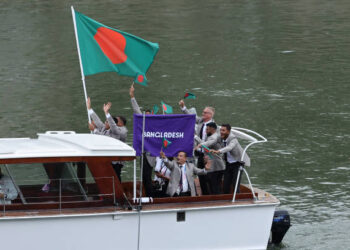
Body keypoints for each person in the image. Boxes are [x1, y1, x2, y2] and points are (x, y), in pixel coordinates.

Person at [179, 99, 215, 195]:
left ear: (210, 115)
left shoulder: (214, 127)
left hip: (208, 155)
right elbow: (191, 116)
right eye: (203, 112)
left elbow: (209, 143)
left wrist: (195, 137)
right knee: (201, 176)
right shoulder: (201, 121)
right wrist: (183, 107)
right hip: (199, 154)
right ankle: (204, 196)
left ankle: (212, 197)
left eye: (205, 112)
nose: (202, 113)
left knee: (209, 177)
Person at [87, 97, 128, 181]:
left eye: (106, 122)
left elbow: (104, 138)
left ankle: (117, 193)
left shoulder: (117, 132)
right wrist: (89, 108)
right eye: (105, 121)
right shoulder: (105, 128)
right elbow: (98, 121)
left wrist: (107, 113)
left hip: (116, 161)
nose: (104, 123)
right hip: (107, 159)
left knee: (115, 178)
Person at [129, 83, 155, 197]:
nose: (147, 117)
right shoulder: (144, 123)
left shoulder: (156, 124)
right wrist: (132, 96)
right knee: (144, 177)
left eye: (149, 115)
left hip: (152, 155)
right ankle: (148, 195)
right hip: (143, 153)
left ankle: (150, 196)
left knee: (148, 177)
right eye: (146, 115)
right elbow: (136, 110)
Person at [211, 124, 250, 194]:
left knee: (235, 183)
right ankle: (225, 200)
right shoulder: (221, 137)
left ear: (228, 131)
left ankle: (237, 199)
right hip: (228, 164)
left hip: (238, 163)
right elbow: (212, 141)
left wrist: (218, 151)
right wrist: (202, 144)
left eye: (223, 130)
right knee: (225, 184)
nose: (221, 132)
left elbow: (229, 147)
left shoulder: (233, 138)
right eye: (220, 130)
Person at [196, 122, 225, 194]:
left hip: (216, 166)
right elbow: (207, 146)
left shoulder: (215, 137)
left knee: (214, 186)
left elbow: (210, 143)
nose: (205, 130)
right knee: (212, 185)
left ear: (212, 129)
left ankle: (217, 201)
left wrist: (200, 144)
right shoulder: (210, 136)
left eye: (207, 129)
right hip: (212, 166)